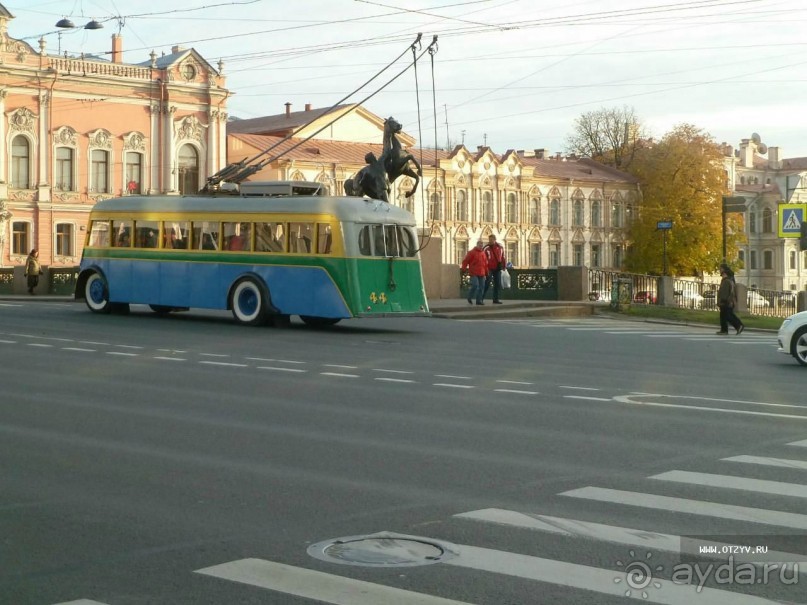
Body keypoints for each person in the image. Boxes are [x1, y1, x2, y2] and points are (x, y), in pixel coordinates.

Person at [716, 265, 744, 335]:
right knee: (724, 316)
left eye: (721, 269)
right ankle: (724, 330)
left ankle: (739, 325)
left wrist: (723, 300)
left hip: (726, 302)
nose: (720, 271)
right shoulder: (727, 280)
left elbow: (726, 292)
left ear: (724, 272)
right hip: (727, 302)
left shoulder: (727, 281)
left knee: (728, 316)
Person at [461, 240, 488, 305]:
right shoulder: (471, 252)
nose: (481, 246)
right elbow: (466, 261)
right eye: (480, 245)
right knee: (475, 285)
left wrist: (486, 272)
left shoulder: (483, 253)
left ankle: (478, 301)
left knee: (481, 287)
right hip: (474, 272)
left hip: (482, 272)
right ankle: (469, 297)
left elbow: (485, 264)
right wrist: (463, 269)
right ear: (477, 245)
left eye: (482, 245)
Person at [482, 234, 506, 304]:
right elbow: (483, 258)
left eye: (491, 240)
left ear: (495, 240)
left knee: (497, 284)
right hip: (489, 268)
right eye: (489, 240)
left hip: (497, 268)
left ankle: (495, 299)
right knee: (487, 283)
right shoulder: (486, 248)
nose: (490, 241)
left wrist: (504, 266)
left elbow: (502, 257)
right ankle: (481, 298)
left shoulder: (500, 247)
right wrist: (484, 267)